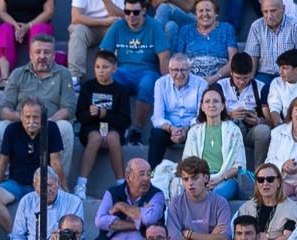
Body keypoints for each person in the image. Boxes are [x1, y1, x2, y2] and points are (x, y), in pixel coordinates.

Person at [0, 35, 77, 182]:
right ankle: (9, 177)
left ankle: (58, 182)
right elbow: (4, 109)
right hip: (21, 124)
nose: (42, 56)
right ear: (30, 54)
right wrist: (25, 119)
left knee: (65, 128)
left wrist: (46, 122)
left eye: (47, 52)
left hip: (50, 124)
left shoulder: (63, 74)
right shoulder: (17, 73)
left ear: (53, 55)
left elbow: (69, 108)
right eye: (38, 52)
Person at [0, 98, 65, 232]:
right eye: (27, 117)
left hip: (43, 182)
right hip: (16, 183)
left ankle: (48, 238)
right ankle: (14, 236)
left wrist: (64, 187)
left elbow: (55, 162)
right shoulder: (12, 129)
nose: (31, 121)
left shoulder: (51, 128)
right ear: (21, 116)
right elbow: (2, 161)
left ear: (43, 117)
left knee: (61, 201)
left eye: (36, 117)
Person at [102, 0, 171, 143]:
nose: (131, 16)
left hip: (147, 71)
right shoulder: (118, 26)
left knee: (147, 83)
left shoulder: (153, 26)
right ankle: (115, 128)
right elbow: (104, 54)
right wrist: (106, 72)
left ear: (144, 10)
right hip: (122, 71)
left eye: (135, 12)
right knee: (111, 80)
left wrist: (167, 84)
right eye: (127, 12)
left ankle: (136, 131)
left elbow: (164, 56)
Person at [74, 50, 130, 199]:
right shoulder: (87, 87)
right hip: (90, 128)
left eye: (105, 67)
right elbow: (80, 116)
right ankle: (81, 184)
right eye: (97, 67)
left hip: (113, 128)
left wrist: (107, 115)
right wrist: (89, 114)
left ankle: (121, 184)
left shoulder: (120, 90)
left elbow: (125, 120)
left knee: (112, 138)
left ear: (114, 68)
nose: (101, 71)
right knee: (95, 138)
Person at [182, 84, 246, 199]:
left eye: (216, 101)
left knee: (214, 196)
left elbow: (239, 165)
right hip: (199, 179)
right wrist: (202, 180)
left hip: (226, 180)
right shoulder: (194, 132)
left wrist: (219, 178)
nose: (211, 105)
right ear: (202, 106)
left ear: (222, 106)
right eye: (207, 101)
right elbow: (187, 162)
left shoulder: (233, 130)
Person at [148, 53, 207, 167]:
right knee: (156, 134)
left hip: (192, 128)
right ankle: (153, 175)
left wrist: (186, 130)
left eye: (183, 70)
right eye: (175, 70)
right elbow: (157, 117)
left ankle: (198, 174)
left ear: (189, 69)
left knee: (200, 133)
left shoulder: (201, 83)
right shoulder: (161, 83)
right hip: (169, 129)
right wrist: (171, 129)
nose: (179, 74)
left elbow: (201, 115)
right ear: (169, 70)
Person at [233, 162, 297, 240]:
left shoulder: (291, 209)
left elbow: (287, 239)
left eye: (270, 179)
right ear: (257, 184)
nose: (265, 183)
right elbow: (240, 237)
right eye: (260, 180)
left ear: (279, 182)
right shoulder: (246, 208)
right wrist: (276, 235)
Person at [221, 53, 271, 167]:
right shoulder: (220, 86)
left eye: (246, 78)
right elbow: (210, 114)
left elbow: (270, 122)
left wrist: (258, 121)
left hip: (250, 131)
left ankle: (259, 172)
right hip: (228, 130)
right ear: (231, 73)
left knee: (263, 131)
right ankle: (227, 170)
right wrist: (229, 115)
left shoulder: (261, 87)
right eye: (238, 78)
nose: (242, 82)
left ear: (252, 74)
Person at [0, 0, 56, 86]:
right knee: (5, 29)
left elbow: (49, 11)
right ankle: (5, 78)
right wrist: (15, 25)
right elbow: (2, 12)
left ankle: (37, 76)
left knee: (38, 30)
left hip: (37, 23)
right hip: (14, 24)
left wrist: (28, 26)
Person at [172, 0, 235, 82]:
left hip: (219, 80)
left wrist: (216, 77)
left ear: (216, 13)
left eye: (208, 10)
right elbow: (178, 59)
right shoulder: (186, 30)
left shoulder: (226, 29)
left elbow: (233, 60)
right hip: (191, 81)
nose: (204, 14)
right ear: (195, 15)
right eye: (201, 11)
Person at [245, 0, 297, 83]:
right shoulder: (256, 26)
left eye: (273, 11)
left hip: (289, 75)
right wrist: (250, 82)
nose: (269, 16)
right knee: (259, 87)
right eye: (265, 12)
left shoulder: (295, 25)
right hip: (264, 74)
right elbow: (252, 58)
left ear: (283, 9)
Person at [68, 0, 124, 87]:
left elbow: (122, 16)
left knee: (118, 27)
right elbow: (76, 17)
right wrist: (103, 21)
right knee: (78, 31)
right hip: (88, 26)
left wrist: (106, 2)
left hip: (110, 27)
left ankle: (114, 76)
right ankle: (75, 78)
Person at [268, 95, 297, 198]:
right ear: (291, 112)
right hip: (282, 179)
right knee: (271, 196)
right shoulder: (277, 132)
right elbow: (269, 160)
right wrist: (282, 165)